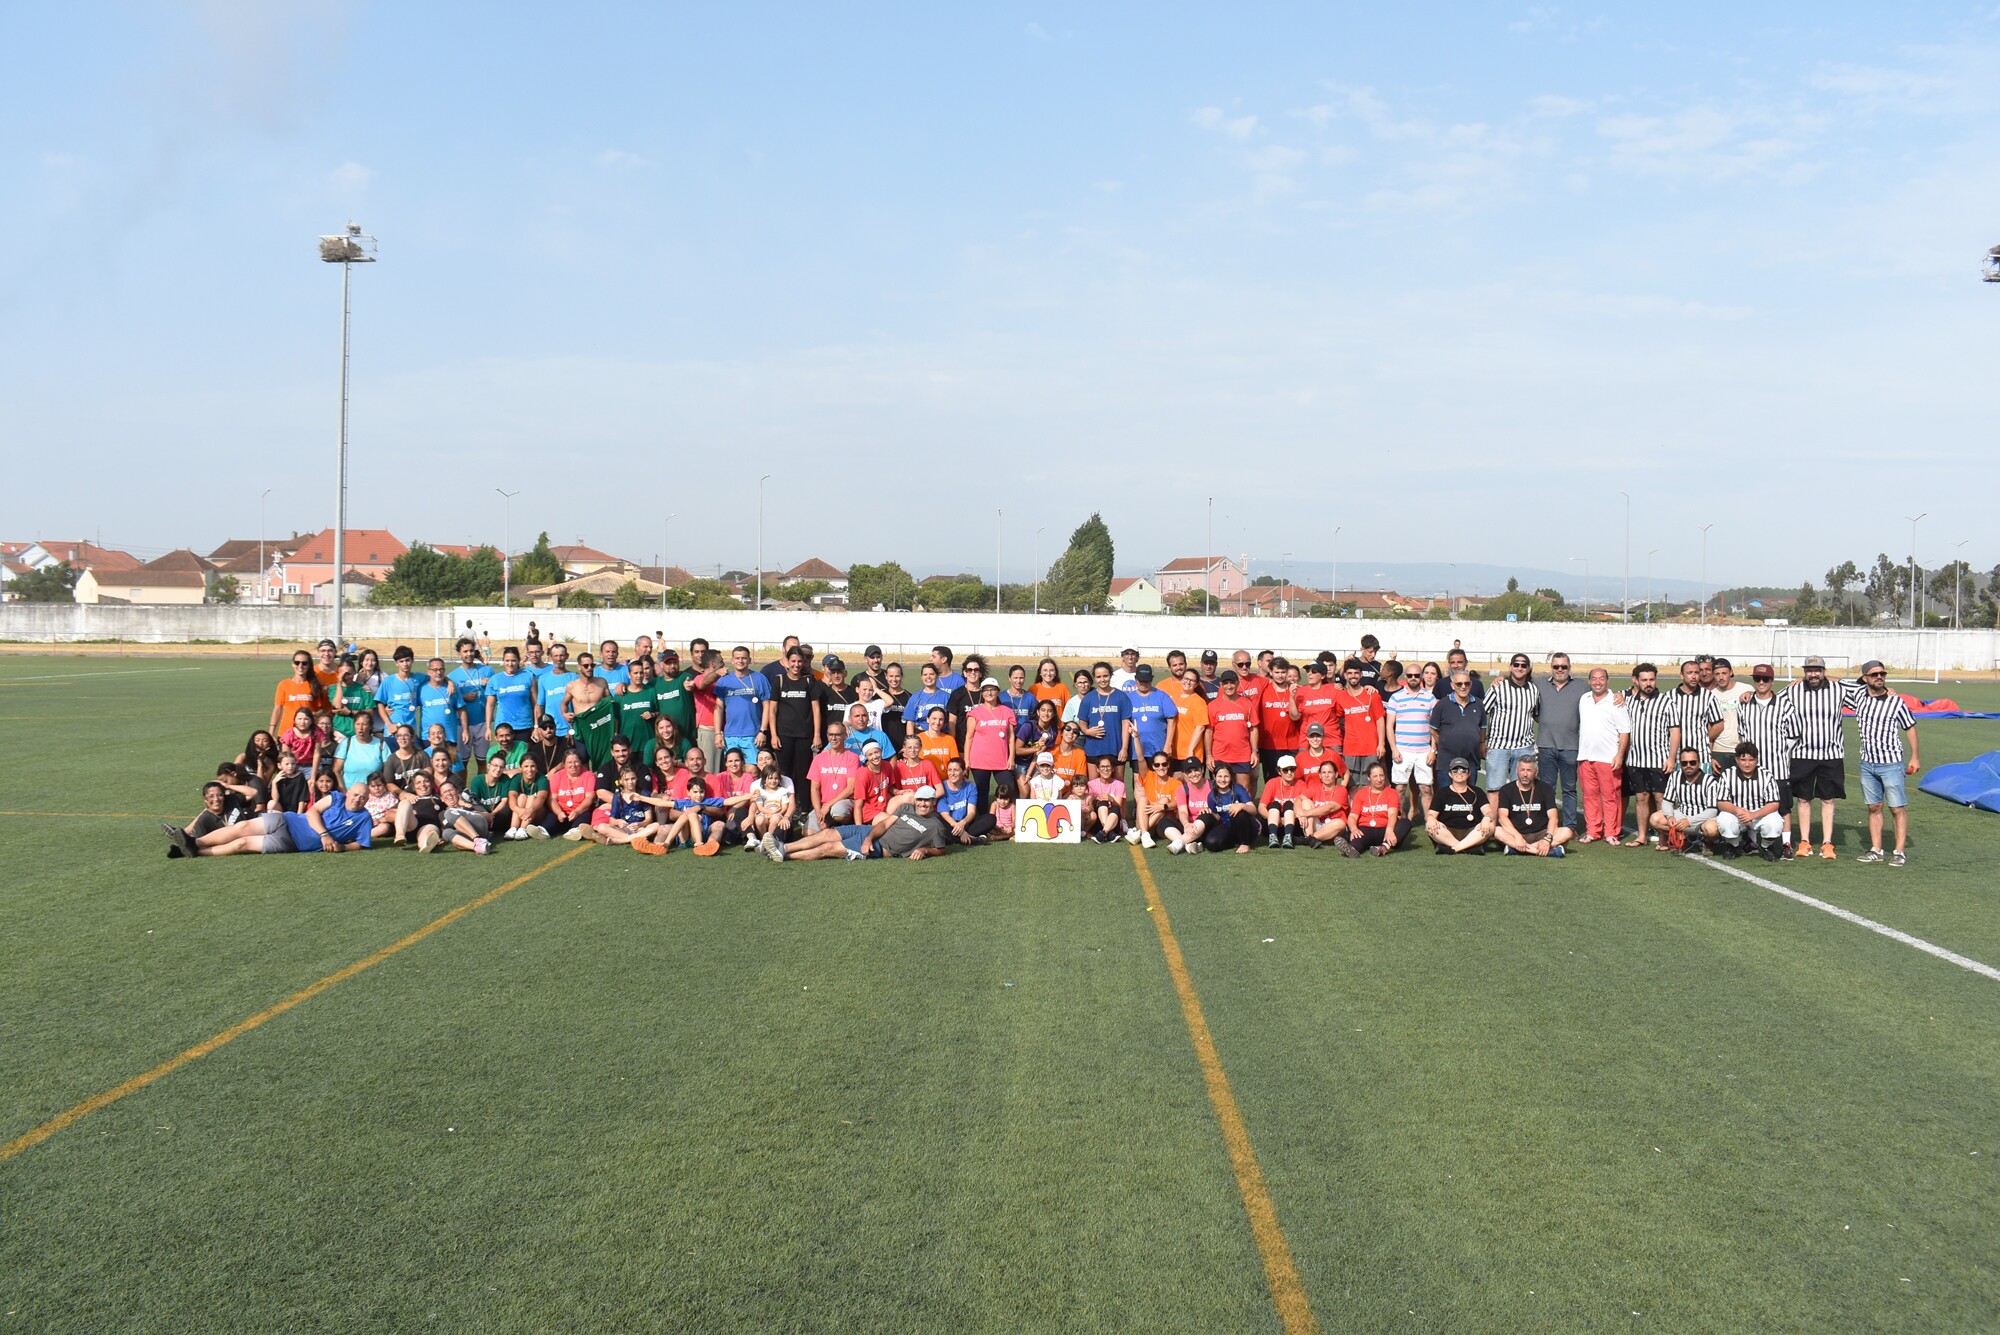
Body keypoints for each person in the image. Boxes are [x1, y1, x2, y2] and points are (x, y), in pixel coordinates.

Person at [1783, 655, 1863, 861]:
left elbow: (1864, 694)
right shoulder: (1794, 690)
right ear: (1804, 672)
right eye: (1809, 670)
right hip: (1802, 753)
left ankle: (1827, 842)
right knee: (1803, 798)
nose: (1813, 674)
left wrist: (1839, 679)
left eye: (1817, 670)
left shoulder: (1838, 689)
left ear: (1824, 671)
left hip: (1831, 754)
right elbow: (1771, 699)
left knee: (1828, 798)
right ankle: (1805, 841)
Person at [168, 780, 373, 858]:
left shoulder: (364, 818)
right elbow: (312, 812)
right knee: (242, 826)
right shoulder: (337, 797)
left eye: (363, 797)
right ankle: (194, 842)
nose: (357, 799)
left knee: (242, 844)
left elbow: (362, 844)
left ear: (367, 800)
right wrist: (325, 835)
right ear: (349, 792)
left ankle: (193, 851)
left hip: (291, 843)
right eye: (355, 794)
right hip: (287, 821)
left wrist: (342, 847)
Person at [1851, 659, 1920, 866]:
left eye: (1882, 674)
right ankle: (1876, 849)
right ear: (1865, 678)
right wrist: (1801, 679)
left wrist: (1915, 756)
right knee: (1873, 807)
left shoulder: (1895, 702)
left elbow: (1910, 727)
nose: (1879, 677)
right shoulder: (1858, 696)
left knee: (1896, 808)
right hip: (1867, 763)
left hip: (1891, 763)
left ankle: (1899, 852)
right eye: (1874, 674)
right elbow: (1835, 682)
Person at [774, 786, 953, 862]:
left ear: (933, 802)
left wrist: (925, 850)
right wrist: (868, 837)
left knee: (828, 848)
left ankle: (786, 856)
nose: (922, 804)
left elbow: (941, 849)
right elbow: (884, 825)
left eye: (927, 801)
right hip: (870, 832)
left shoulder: (936, 826)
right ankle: (784, 847)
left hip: (880, 847)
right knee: (828, 834)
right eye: (920, 800)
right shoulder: (907, 807)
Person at [1732, 663, 1801, 859]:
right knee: (1751, 803)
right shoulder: (1744, 704)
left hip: (1777, 767)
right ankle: (1753, 842)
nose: (1761, 682)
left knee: (1783, 807)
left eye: (1765, 679)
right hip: (1752, 768)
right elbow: (1742, 734)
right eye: (1757, 679)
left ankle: (1786, 844)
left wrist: (1780, 751)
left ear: (1772, 681)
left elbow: (1794, 735)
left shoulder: (1785, 705)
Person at [1622, 663, 1678, 847]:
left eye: (1652, 679)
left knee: (1661, 799)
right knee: (1641, 798)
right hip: (1636, 760)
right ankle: (1642, 836)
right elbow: (1613, 695)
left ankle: (1664, 838)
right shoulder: (1628, 700)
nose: (1648, 683)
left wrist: (1671, 758)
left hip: (1659, 760)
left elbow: (1675, 732)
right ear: (1636, 681)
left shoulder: (1666, 702)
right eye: (1644, 680)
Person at [1575, 668, 1632, 845]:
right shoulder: (1584, 699)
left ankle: (1611, 832)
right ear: (1589, 681)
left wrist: (1619, 755)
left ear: (1607, 681)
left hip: (1608, 758)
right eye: (1594, 679)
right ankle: (1593, 830)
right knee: (1589, 796)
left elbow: (1625, 731)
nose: (1597, 682)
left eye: (1601, 679)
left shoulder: (1616, 701)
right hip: (1585, 757)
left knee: (1610, 797)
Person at [1535, 653, 1586, 835]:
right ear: (1551, 668)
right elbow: (1520, 684)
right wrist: (1501, 679)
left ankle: (1570, 826)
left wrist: (1619, 694)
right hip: (1546, 745)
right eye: (1556, 666)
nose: (1560, 670)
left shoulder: (1581, 686)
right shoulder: (1539, 684)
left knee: (1569, 789)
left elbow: (1601, 692)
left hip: (1571, 747)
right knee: (1546, 789)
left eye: (1563, 667)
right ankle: (1546, 825)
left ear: (1569, 668)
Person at [763, 647, 827, 793]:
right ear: (787, 661)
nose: (796, 665)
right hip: (784, 735)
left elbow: (816, 710)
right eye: (793, 661)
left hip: (805, 735)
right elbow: (772, 710)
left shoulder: (809, 680)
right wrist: (773, 735)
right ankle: (786, 802)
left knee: (804, 772)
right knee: (785, 772)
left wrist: (816, 735)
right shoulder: (779, 680)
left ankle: (803, 804)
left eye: (799, 661)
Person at [1714, 743, 1785, 860]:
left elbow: (1774, 803)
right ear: (1737, 760)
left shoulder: (1766, 775)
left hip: (1759, 813)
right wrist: (1739, 811)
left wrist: (1753, 815)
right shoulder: (1727, 775)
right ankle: (1733, 846)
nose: (1747, 764)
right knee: (1724, 819)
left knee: (1775, 822)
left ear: (1757, 760)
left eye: (1751, 760)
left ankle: (1765, 846)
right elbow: (1721, 803)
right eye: (1743, 760)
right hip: (1737, 814)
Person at [1493, 755, 1571, 857]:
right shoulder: (1506, 789)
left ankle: (1518, 849)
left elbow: (1553, 817)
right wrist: (1517, 836)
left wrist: (1547, 839)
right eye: (1522, 770)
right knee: (1497, 831)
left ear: (1536, 773)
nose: (1525, 774)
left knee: (1567, 832)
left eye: (1529, 770)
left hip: (1541, 833)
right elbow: (1502, 817)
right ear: (1516, 771)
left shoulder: (1546, 788)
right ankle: (1542, 851)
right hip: (1517, 833)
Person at [1483, 654, 1540, 792]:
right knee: (1495, 789)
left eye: (1523, 665)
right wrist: (1481, 741)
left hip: (1524, 747)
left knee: (1523, 788)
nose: (1519, 668)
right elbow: (1482, 711)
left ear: (1528, 669)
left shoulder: (1533, 690)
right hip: (1499, 747)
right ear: (1510, 667)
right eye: (1516, 664)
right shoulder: (1498, 687)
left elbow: (1536, 714)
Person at [1386, 664, 1437, 818]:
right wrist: (1394, 749)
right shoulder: (1396, 698)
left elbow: (1434, 727)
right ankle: (1400, 821)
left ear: (1421, 677)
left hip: (1424, 751)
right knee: (1400, 788)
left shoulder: (1430, 698)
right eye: (1410, 675)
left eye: (1416, 675)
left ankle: (1429, 823)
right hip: (1402, 750)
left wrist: (1433, 750)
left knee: (1426, 789)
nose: (1413, 678)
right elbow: (1389, 726)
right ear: (1405, 677)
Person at [961, 677, 1018, 808]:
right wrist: (967, 760)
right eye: (986, 690)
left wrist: (1011, 758)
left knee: (1008, 789)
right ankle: (983, 818)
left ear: (998, 691)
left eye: (992, 689)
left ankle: (1007, 817)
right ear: (982, 693)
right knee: (982, 792)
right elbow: (969, 738)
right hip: (980, 760)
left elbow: (1011, 737)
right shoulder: (975, 713)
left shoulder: (1007, 711)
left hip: (1002, 760)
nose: (989, 693)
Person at [1653, 748, 1723, 855]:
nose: (1688, 765)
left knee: (1712, 829)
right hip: (1682, 816)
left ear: (1699, 763)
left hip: (1702, 820)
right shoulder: (1675, 776)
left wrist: (1689, 821)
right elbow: (1667, 801)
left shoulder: (1710, 781)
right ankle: (1684, 841)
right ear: (1680, 764)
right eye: (1684, 763)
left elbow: (1712, 811)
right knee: (1655, 819)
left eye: (1692, 762)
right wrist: (1670, 816)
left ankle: (1707, 842)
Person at [1331, 659, 1386, 787]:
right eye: (1350, 673)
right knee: (1351, 785)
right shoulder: (1341, 696)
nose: (1353, 676)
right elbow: (1339, 719)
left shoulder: (1372, 695)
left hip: (1371, 747)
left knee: (1371, 784)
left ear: (1361, 675)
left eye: (1356, 673)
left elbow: (1380, 720)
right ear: (1345, 675)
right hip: (1351, 748)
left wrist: (1381, 744)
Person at [1121, 665, 1178, 781]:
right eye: (1141, 681)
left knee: (1161, 780)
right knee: (1140, 782)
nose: (1143, 684)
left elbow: (1171, 721)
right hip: (1137, 749)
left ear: (1151, 679)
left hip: (1159, 748)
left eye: (1146, 681)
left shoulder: (1162, 696)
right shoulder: (1128, 698)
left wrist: (1168, 745)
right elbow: (1125, 723)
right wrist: (1125, 747)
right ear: (1136, 680)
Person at [1341, 762, 1409, 856]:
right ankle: (1351, 849)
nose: (1379, 779)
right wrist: (1353, 829)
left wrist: (1389, 830)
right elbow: (1353, 816)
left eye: (1381, 776)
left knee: (1405, 823)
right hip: (1365, 829)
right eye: (1375, 776)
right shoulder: (1361, 793)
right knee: (1357, 836)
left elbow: (1393, 814)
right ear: (1369, 778)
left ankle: (1383, 848)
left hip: (1384, 830)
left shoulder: (1392, 793)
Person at [1426, 757, 1491, 855]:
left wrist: (1486, 818)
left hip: (1472, 831)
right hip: (1448, 831)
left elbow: (1489, 812)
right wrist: (1431, 819)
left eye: (1463, 770)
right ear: (1450, 774)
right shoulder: (1442, 793)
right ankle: (1468, 848)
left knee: (1491, 826)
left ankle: (1454, 849)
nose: (1459, 773)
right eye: (1455, 770)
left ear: (1469, 773)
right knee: (1429, 826)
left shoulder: (1477, 792)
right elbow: (1431, 814)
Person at [1669, 660, 1724, 775]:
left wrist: (1703, 739)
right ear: (1681, 675)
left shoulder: (1708, 696)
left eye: (1696, 673)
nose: (1694, 676)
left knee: (1704, 785)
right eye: (1689, 673)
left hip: (1701, 757)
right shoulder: (1670, 697)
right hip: (1677, 757)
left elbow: (1718, 725)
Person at [805, 720, 862, 830]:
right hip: (823, 804)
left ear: (845, 736)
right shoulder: (819, 758)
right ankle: (829, 828)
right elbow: (814, 789)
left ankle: (841, 826)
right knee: (808, 832)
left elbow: (851, 788)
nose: (833, 738)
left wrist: (828, 804)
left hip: (843, 801)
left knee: (839, 812)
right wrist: (819, 813)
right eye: (830, 734)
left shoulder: (852, 757)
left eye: (837, 735)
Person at [1429, 670, 1485, 781]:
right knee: (1446, 790)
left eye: (1466, 683)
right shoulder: (1442, 704)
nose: (1463, 687)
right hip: (1447, 760)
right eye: (1459, 684)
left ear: (1471, 684)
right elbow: (1433, 728)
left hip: (1471, 759)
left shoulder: (1478, 704)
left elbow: (1482, 726)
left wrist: (1482, 743)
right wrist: (1443, 743)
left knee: (1470, 790)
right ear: (1452, 685)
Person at [1255, 659, 1301, 783]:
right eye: (1277, 672)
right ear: (1270, 672)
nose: (1280, 675)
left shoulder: (1296, 690)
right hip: (1270, 745)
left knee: (1293, 780)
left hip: (1292, 744)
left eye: (1283, 672)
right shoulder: (1264, 689)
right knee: (1272, 781)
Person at [1200, 763, 1261, 854]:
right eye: (1219, 776)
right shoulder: (1212, 795)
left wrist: (1242, 806)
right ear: (1214, 777)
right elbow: (1217, 817)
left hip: (1246, 826)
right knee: (1211, 843)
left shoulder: (1238, 789)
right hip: (1228, 826)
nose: (1223, 780)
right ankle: (1234, 842)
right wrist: (1208, 812)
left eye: (1226, 776)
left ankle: (1245, 843)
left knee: (1236, 811)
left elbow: (1254, 810)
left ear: (1231, 777)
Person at [449, 640, 493, 763]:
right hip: (462, 724)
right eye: (465, 651)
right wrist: (463, 697)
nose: (469, 654)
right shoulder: (452, 676)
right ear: (459, 654)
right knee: (462, 762)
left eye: (471, 650)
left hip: (483, 722)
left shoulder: (487, 670)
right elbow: (449, 701)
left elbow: (497, 692)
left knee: (483, 761)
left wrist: (489, 683)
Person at [1207, 671, 1258, 773]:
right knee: (1221, 782)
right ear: (1221, 685)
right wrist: (1209, 755)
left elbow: (1253, 729)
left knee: (1243, 783)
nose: (1229, 686)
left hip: (1242, 755)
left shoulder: (1247, 704)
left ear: (1237, 684)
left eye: (1232, 683)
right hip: (1220, 755)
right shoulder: (1213, 705)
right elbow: (1209, 731)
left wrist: (1254, 751)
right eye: (1226, 683)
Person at [937, 758, 995, 844]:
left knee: (991, 819)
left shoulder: (970, 787)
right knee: (937, 821)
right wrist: (960, 830)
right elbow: (945, 815)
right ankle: (972, 840)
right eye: (949, 770)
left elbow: (971, 812)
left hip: (965, 823)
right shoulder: (942, 787)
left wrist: (962, 824)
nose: (952, 773)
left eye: (956, 770)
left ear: (964, 772)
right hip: (949, 823)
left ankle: (955, 839)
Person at [1129, 751, 1179, 849]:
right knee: (1142, 799)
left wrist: (1162, 807)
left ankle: (1140, 832)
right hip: (1148, 821)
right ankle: (1144, 834)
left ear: (1168, 765)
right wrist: (1136, 741)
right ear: (1153, 766)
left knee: (1164, 800)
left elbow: (1177, 803)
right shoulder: (1149, 776)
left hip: (1163, 823)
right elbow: (1140, 759)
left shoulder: (1176, 783)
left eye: (1164, 764)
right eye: (1157, 765)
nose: (1161, 767)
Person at [1297, 759, 1351, 848]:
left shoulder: (1341, 790)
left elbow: (1330, 808)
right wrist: (1299, 813)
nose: (1326, 775)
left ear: (1336, 775)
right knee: (1306, 801)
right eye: (1323, 772)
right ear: (1320, 775)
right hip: (1318, 824)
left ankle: (1308, 839)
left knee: (1340, 823)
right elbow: (1299, 799)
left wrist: (1305, 813)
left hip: (1333, 828)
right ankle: (1310, 836)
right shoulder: (1315, 788)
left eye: (1330, 772)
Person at [332, 710, 390, 790]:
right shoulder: (346, 744)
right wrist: (343, 791)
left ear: (370, 726)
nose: (360, 728)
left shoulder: (381, 745)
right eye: (358, 724)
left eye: (364, 724)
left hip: (374, 793)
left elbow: (387, 773)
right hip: (349, 792)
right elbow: (336, 771)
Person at [1167, 758, 1215, 854]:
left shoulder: (1212, 785)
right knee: (1164, 822)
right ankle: (1188, 845)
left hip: (1208, 824)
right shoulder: (1183, 789)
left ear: (1202, 770)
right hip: (1190, 827)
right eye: (1189, 772)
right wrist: (1186, 824)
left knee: (1205, 814)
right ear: (1185, 774)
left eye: (1196, 770)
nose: (1193, 774)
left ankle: (1180, 842)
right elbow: (1183, 811)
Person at [549, 749, 599, 838]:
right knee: (552, 816)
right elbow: (552, 799)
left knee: (586, 815)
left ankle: (575, 831)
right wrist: (559, 812)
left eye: (576, 762)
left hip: (581, 811)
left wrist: (577, 811)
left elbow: (590, 798)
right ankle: (544, 830)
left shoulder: (589, 775)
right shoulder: (557, 776)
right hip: (562, 812)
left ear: (580, 762)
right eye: (569, 762)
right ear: (564, 764)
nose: (573, 765)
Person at [743, 766, 797, 848]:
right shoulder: (761, 792)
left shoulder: (782, 791)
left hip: (777, 814)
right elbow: (760, 808)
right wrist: (771, 812)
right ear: (764, 779)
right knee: (759, 820)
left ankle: (769, 840)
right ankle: (762, 839)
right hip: (765, 814)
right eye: (770, 778)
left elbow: (784, 807)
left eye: (776, 778)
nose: (773, 781)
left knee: (775, 818)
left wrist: (776, 813)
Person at [271, 650, 323, 734]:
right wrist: (271, 731)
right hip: (286, 732)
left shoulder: (314, 685)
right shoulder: (284, 684)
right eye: (297, 662)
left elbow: (320, 709)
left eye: (304, 663)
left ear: (309, 665)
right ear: (293, 664)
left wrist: (315, 714)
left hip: (307, 733)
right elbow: (277, 709)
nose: (300, 666)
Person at [501, 753, 553, 838]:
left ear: (536, 767)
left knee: (532, 797)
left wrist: (530, 810)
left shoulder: (542, 779)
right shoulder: (516, 778)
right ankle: (513, 828)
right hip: (521, 813)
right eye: (526, 766)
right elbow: (512, 796)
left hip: (538, 813)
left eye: (532, 766)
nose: (529, 769)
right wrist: (518, 810)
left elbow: (541, 798)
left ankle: (523, 829)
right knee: (522, 797)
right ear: (520, 768)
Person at [1259, 755, 1305, 849]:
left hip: (1294, 823)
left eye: (1292, 769)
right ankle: (1273, 836)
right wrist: (1278, 820)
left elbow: (1304, 808)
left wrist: (1289, 819)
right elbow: (1261, 807)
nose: (1289, 773)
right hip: (1274, 822)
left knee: (1289, 804)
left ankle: (1288, 837)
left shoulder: (1301, 784)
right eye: (1285, 770)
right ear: (1279, 771)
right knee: (1275, 804)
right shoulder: (1272, 783)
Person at [538, 643, 579, 744]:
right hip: (550, 730)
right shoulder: (543, 679)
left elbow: (579, 706)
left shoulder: (575, 678)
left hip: (570, 730)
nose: (559, 659)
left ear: (567, 656)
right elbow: (540, 706)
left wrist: (573, 728)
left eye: (561, 655)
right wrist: (538, 728)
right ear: (550, 657)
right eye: (555, 656)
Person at [1084, 754, 1127, 843]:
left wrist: (1111, 799)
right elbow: (1088, 804)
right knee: (1102, 803)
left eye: (1108, 766)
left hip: (1114, 820)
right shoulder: (1091, 784)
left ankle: (1103, 832)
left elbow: (1119, 805)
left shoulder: (1120, 785)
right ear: (1098, 769)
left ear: (1113, 768)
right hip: (1098, 822)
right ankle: (1108, 832)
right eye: (1102, 767)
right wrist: (1095, 799)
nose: (1105, 769)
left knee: (1115, 807)